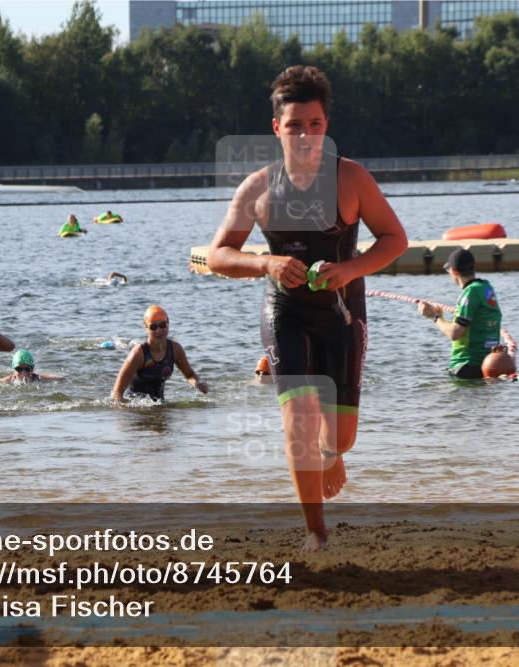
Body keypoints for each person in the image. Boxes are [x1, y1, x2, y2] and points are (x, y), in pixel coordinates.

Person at [206, 65, 407, 551]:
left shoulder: (351, 179)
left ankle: (330, 450)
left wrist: (350, 269)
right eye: (294, 125)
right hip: (285, 313)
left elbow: (394, 239)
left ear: (326, 126)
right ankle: (316, 533)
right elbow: (217, 256)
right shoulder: (257, 188)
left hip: (342, 313)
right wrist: (266, 263)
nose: (305, 136)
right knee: (298, 419)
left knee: (341, 439)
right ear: (277, 128)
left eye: (314, 125)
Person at [417, 248, 502, 380]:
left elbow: (454, 333)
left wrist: (434, 317)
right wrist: (441, 317)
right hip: (487, 366)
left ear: (454, 271)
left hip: (466, 367)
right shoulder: (486, 288)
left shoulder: (470, 292)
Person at [110, 305, 208, 402]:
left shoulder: (175, 349)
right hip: (136, 406)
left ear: (168, 324)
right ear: (146, 328)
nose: (159, 331)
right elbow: (116, 393)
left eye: (162, 325)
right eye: (153, 327)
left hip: (160, 405)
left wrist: (198, 383)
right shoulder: (139, 354)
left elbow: (189, 374)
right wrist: (125, 407)